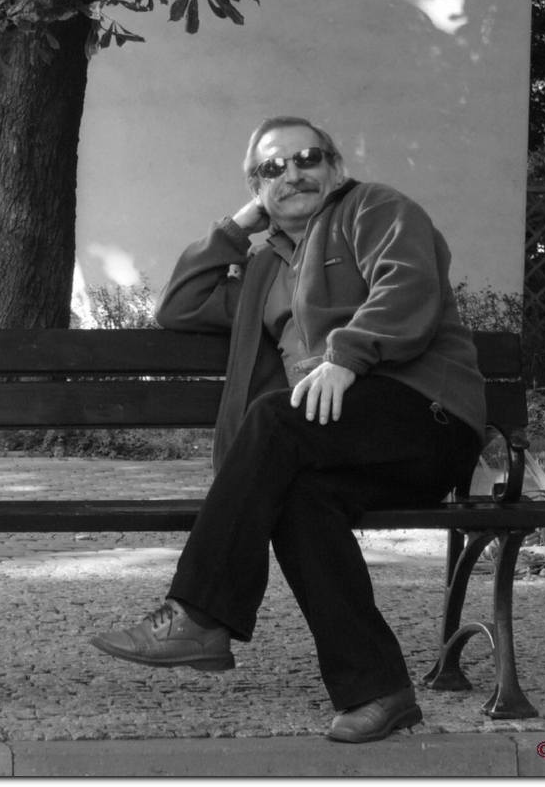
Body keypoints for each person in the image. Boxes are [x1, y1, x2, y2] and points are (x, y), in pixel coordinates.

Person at [89, 116, 487, 743]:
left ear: (335, 166)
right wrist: (238, 225)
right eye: (272, 168)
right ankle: (378, 690)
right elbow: (178, 305)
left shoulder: (375, 208)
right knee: (300, 500)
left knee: (276, 416)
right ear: (256, 187)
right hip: (337, 438)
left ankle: (199, 615)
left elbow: (408, 284)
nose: (293, 174)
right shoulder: (264, 269)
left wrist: (345, 357)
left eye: (307, 159)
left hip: (424, 416)